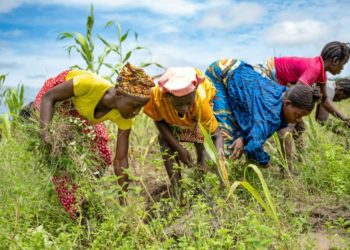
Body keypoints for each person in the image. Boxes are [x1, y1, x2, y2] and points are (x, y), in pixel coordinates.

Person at [35, 62, 154, 218]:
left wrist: (123, 200)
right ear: (118, 94)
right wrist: (46, 133)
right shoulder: (88, 84)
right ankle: (76, 213)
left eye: (140, 108)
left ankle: (83, 191)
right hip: (56, 101)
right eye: (134, 106)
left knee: (102, 156)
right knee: (61, 157)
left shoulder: (124, 117)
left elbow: (120, 160)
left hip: (81, 113)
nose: (136, 112)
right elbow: (49, 98)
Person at [205, 59, 321, 167]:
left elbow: (253, 117)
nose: (298, 120)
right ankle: (210, 168)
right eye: (298, 115)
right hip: (221, 73)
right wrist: (265, 162)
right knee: (227, 136)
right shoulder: (269, 116)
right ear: (287, 103)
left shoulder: (285, 94)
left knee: (242, 136)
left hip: (241, 70)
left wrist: (244, 139)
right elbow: (253, 147)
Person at [256, 41, 350, 168]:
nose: (342, 69)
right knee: (286, 129)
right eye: (343, 65)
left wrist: (344, 118)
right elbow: (297, 93)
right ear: (335, 61)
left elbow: (325, 101)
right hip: (267, 75)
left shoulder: (322, 74)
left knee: (299, 127)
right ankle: (286, 171)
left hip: (280, 83)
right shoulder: (316, 67)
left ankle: (298, 159)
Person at [143, 67, 224, 196]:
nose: (185, 108)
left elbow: (216, 134)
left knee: (201, 144)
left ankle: (202, 187)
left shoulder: (200, 100)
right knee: (164, 140)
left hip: (199, 121)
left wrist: (219, 157)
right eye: (180, 105)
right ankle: (177, 190)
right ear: (169, 96)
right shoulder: (158, 96)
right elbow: (158, 120)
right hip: (176, 121)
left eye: (188, 103)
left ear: (194, 94)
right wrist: (179, 149)